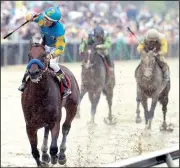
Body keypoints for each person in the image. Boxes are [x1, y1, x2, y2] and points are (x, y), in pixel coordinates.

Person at [18, 6, 71, 98]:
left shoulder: (59, 31)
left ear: (54, 22)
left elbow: (60, 49)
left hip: (55, 47)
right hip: (44, 42)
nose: (45, 21)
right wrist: (30, 16)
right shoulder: (42, 19)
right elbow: (27, 17)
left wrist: (51, 55)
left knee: (53, 65)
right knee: (34, 59)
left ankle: (66, 87)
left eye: (48, 21)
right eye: (45, 18)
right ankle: (23, 82)